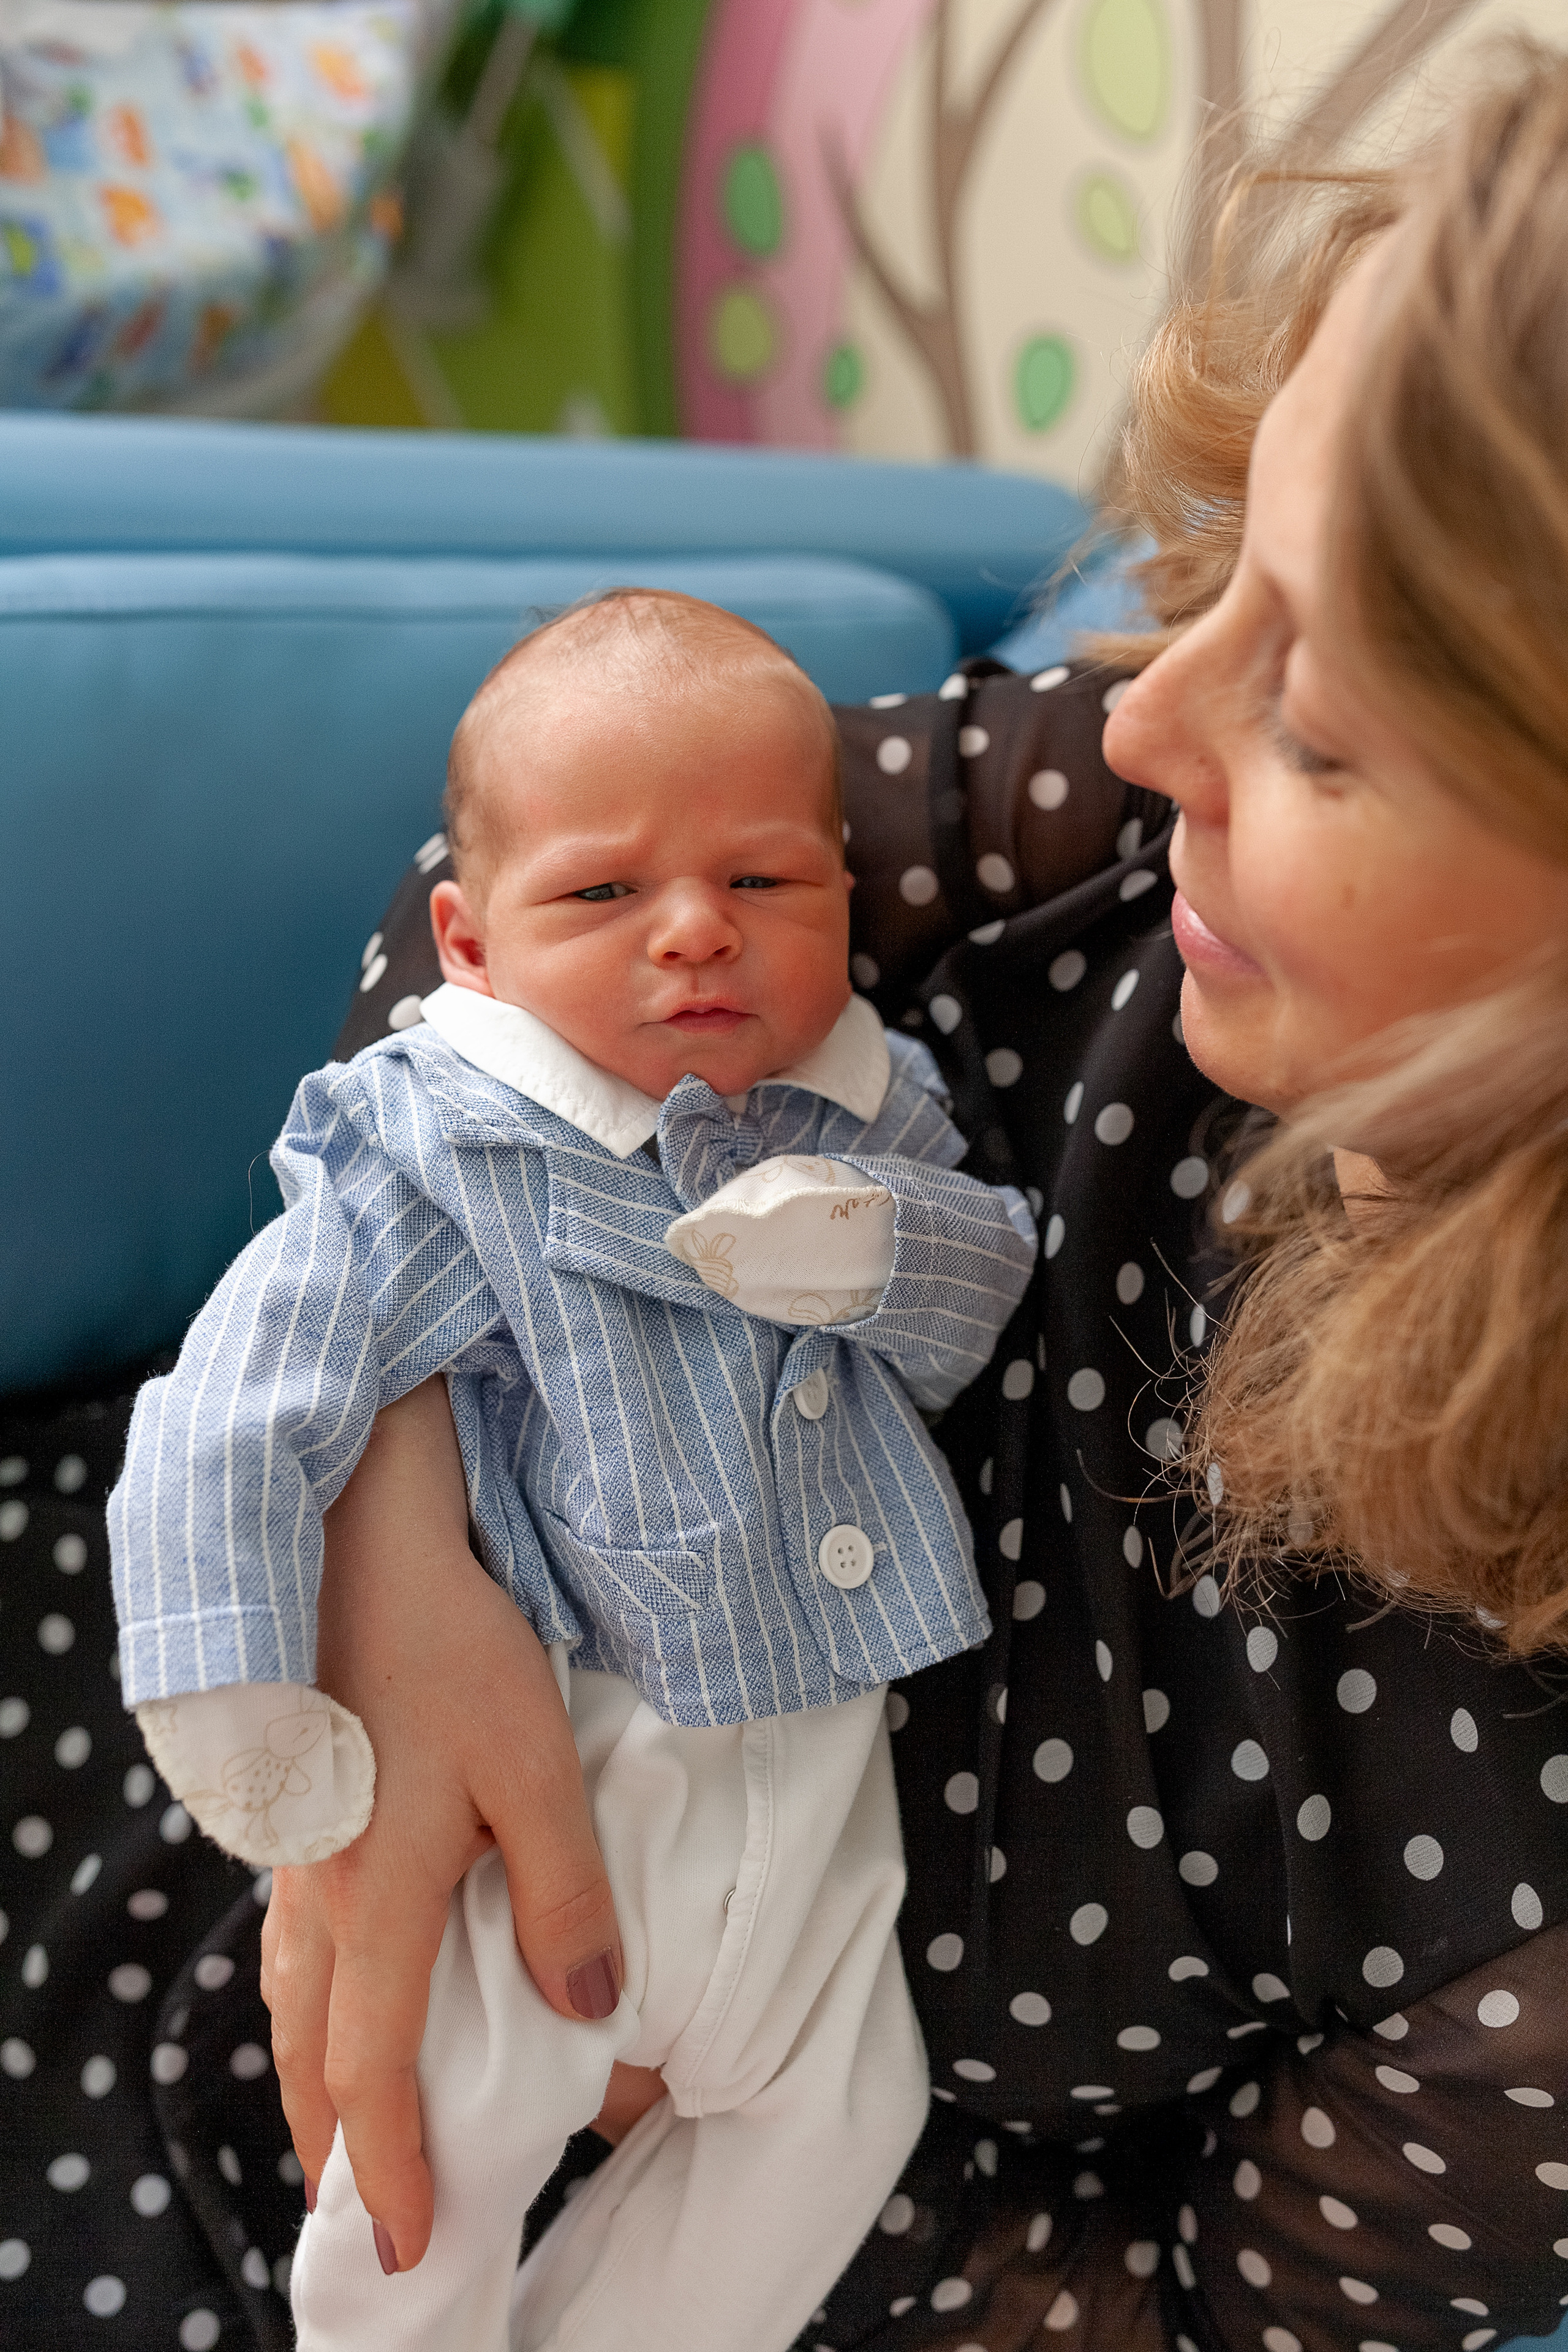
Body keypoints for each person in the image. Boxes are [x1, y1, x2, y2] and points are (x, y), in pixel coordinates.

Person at [258, 42, 1568, 2352]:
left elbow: (1157, 2314)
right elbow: (483, 912)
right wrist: (385, 1521)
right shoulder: (1124, 830)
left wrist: (676, 2088)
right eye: (1235, 582)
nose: (1155, 719)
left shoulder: (1527, 1955)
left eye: (1325, 729)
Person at [105, 590, 1038, 2352]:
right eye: (606, 895)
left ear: (847, 897)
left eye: (764, 885)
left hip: (825, 1803)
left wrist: (870, 1249)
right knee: (434, 2157)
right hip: (578, 1762)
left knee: (845, 2119)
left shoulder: (875, 1107)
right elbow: (241, 1394)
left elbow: (985, 1280)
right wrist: (225, 1682)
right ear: (465, 942)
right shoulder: (457, 1154)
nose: (695, 934)